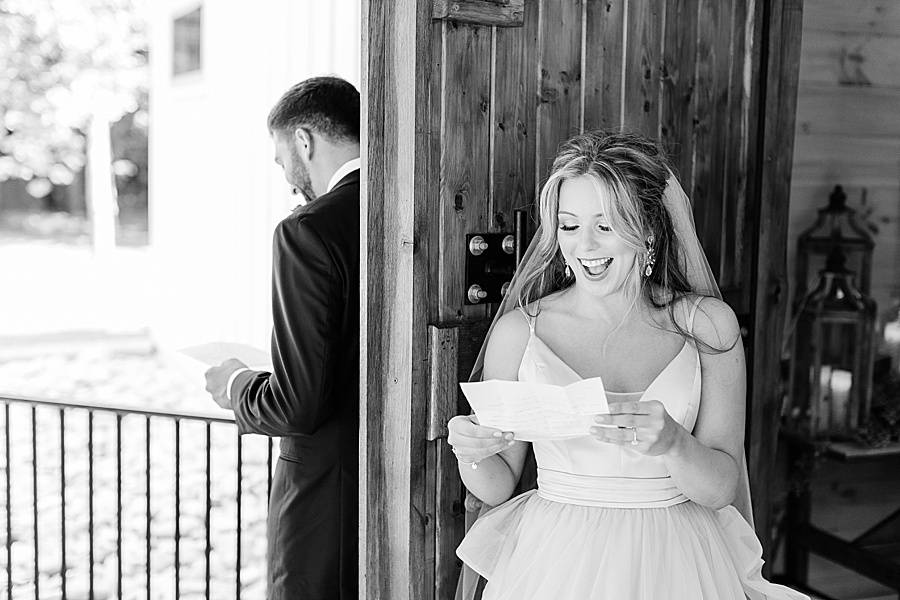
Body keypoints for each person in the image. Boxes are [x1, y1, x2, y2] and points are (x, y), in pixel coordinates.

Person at [448, 131, 808, 599]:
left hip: (678, 559)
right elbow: (497, 485)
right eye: (570, 225)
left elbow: (723, 487)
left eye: (607, 225)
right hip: (556, 562)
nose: (586, 247)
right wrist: (470, 448)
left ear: (650, 229)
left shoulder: (707, 327)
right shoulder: (522, 333)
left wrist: (674, 443)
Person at [204, 76, 360, 600]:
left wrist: (238, 386)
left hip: (327, 502)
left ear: (304, 141)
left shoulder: (308, 230)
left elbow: (298, 404)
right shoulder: (414, 204)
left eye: (282, 160)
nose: (289, 179)